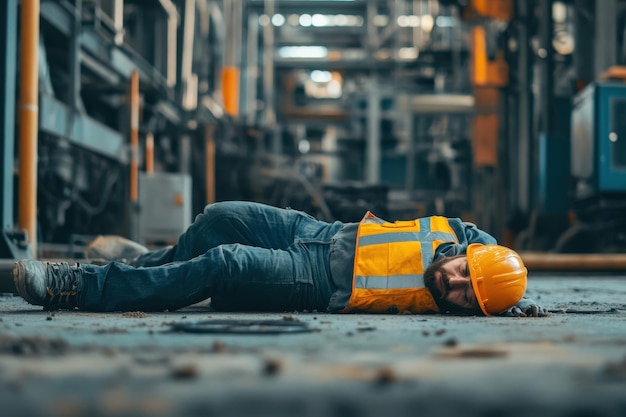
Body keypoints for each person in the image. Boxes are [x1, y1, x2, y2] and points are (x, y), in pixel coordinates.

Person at [12, 201, 546, 317]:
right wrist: (507, 281)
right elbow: (497, 259)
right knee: (217, 219)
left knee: (226, 262)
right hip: (319, 231)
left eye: (463, 294)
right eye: (462, 273)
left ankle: (77, 285)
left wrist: (505, 307)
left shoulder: (454, 302)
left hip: (315, 281)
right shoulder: (466, 236)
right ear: (473, 254)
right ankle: (153, 263)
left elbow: (487, 295)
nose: (450, 282)